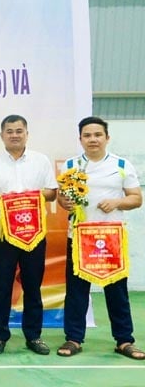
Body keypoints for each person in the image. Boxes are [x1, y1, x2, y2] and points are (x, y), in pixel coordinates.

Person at [56, 116, 144, 360]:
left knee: (116, 291)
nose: (92, 139)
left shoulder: (122, 165)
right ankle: (74, 338)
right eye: (87, 135)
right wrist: (66, 202)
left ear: (107, 137)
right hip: (80, 236)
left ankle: (124, 340)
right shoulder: (71, 165)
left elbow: (136, 198)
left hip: (111, 237)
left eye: (97, 135)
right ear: (80, 139)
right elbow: (64, 200)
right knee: (76, 291)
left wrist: (117, 201)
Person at [0, 114, 57, 355]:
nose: (14, 135)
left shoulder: (41, 161)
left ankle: (33, 336)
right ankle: (0, 335)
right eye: (9, 131)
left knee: (33, 285)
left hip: (33, 231)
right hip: (3, 233)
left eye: (19, 131)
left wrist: (30, 197)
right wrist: (7, 199)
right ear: (2, 135)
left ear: (27, 134)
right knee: (2, 285)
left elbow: (52, 193)